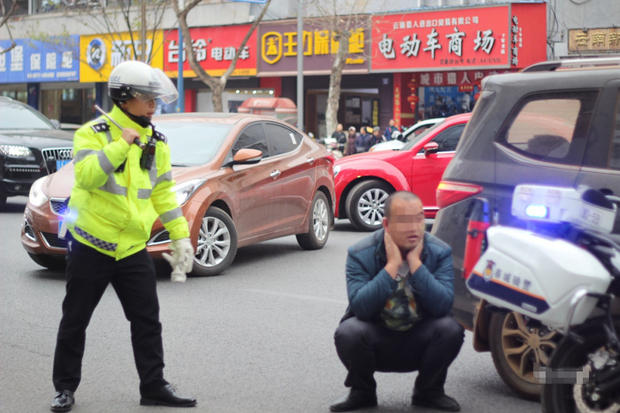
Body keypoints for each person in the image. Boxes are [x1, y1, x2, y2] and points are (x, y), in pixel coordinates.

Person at [50, 60, 197, 412]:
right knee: (75, 319)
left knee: (147, 320)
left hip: (132, 248)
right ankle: (64, 388)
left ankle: (154, 387)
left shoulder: (157, 143)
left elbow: (162, 194)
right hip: (91, 244)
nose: (153, 104)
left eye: (155, 98)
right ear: (125, 97)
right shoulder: (93, 133)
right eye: (147, 97)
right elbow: (85, 177)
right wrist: (119, 145)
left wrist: (181, 237)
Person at [330, 191, 464, 412]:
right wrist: (392, 266)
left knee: (450, 328)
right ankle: (362, 392)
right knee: (349, 332)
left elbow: (443, 306)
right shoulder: (360, 253)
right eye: (404, 220)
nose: (414, 227)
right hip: (377, 338)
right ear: (386, 223)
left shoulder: (439, 252)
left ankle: (429, 392)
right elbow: (361, 308)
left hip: (420, 339)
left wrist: (416, 265)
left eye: (419, 218)